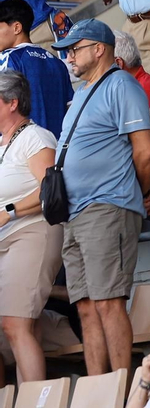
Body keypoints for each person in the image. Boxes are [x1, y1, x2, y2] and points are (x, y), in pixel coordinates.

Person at [54, 18, 150, 375]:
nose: (68, 56)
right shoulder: (82, 91)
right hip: (75, 212)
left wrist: (137, 192)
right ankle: (97, 389)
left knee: (108, 301)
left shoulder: (121, 84)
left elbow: (145, 152)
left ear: (99, 49)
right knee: (85, 305)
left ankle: (120, 386)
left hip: (106, 206)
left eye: (74, 48)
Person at [0, 71, 57, 384]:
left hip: (33, 231)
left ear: (12, 103)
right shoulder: (3, 142)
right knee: (23, 327)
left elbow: (50, 189)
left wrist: (8, 211)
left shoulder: (36, 137)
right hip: (10, 238)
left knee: (15, 324)